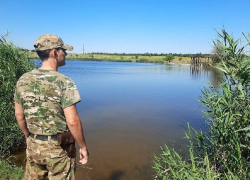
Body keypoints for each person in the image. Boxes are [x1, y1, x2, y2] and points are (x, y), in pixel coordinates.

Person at [14, 34, 89, 180]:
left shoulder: (23, 79)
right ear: (54, 52)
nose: (65, 53)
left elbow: (19, 114)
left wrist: (28, 137)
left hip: (34, 145)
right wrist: (83, 147)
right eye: (63, 50)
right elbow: (73, 121)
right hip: (58, 150)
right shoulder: (64, 82)